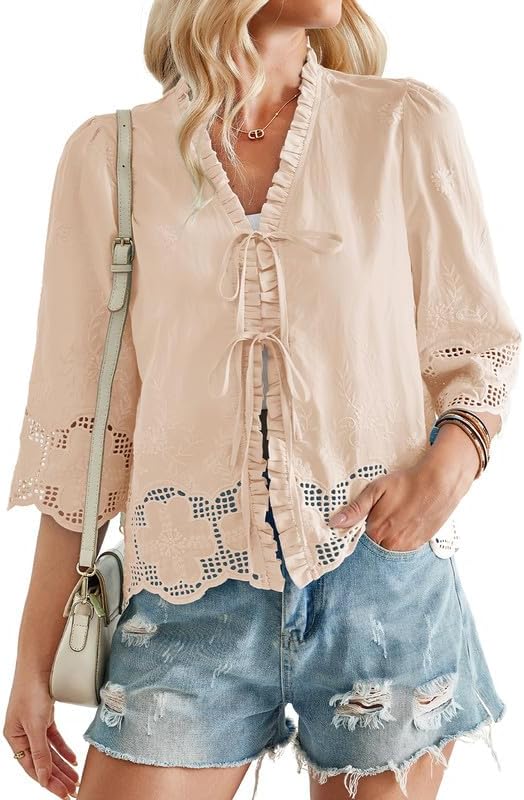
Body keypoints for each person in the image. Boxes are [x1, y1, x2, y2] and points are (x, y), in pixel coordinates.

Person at [3, 2, 521, 799]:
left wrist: (444, 475)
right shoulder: (112, 157)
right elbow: (88, 433)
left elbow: (478, 344)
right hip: (184, 593)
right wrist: (33, 660)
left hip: (379, 585)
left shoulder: (403, 125)